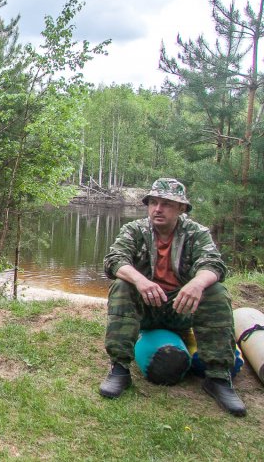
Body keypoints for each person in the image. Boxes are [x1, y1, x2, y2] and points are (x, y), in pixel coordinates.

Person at [99, 178, 246, 416]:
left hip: (182, 308)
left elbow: (214, 264)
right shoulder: (135, 230)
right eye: (153, 203)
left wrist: (197, 283)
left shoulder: (196, 233)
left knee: (215, 291)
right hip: (147, 308)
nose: (158, 209)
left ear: (181, 208)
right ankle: (119, 369)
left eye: (166, 204)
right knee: (122, 285)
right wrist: (140, 281)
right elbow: (114, 260)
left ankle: (218, 377)